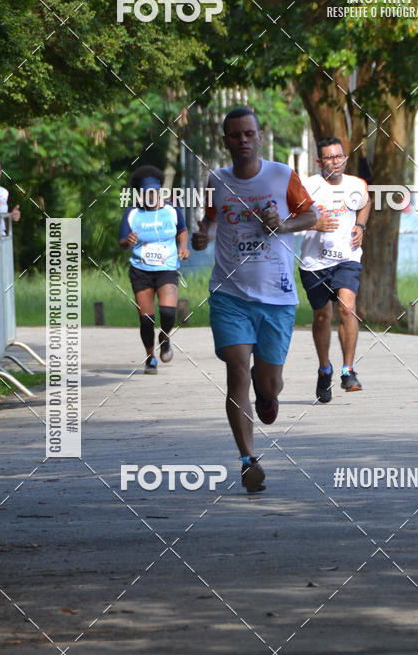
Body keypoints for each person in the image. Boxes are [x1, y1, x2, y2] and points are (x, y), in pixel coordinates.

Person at [191, 108, 318, 494]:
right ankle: (248, 460)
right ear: (226, 141)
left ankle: (268, 397)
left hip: (277, 299)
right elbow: (212, 220)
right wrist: (204, 235)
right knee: (237, 372)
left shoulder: (281, 176)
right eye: (235, 135)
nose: (243, 140)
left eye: (249, 133)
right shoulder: (217, 180)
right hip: (229, 295)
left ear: (259, 136)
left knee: (269, 383)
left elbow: (311, 215)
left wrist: (283, 224)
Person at [298, 137, 371, 403]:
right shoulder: (306, 186)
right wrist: (314, 225)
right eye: (329, 158)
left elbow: (365, 203)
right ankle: (324, 368)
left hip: (347, 257)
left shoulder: (356, 184)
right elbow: (288, 217)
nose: (335, 162)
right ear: (319, 162)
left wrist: (360, 227)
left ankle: (348, 371)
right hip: (314, 262)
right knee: (321, 317)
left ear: (345, 158)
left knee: (346, 306)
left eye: (339, 156)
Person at [119, 165, 189, 374]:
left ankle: (165, 336)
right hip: (141, 270)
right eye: (145, 193)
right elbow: (122, 242)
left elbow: (182, 230)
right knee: (146, 319)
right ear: (140, 194)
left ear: (159, 192)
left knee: (168, 312)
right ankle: (150, 358)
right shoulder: (132, 213)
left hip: (166, 268)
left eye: (154, 193)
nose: (150, 196)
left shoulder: (172, 209)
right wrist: (128, 241)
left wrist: (183, 247)